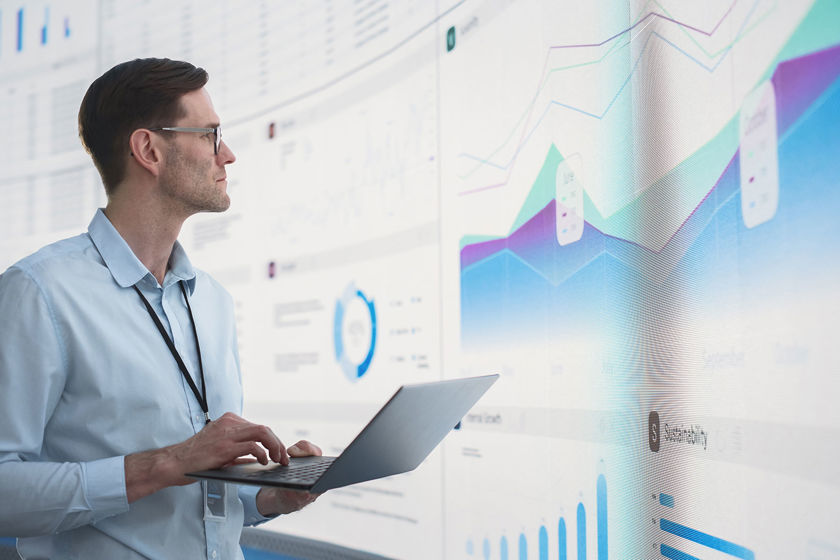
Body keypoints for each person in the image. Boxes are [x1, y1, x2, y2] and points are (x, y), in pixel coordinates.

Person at [0, 58, 321, 559]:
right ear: (148, 150)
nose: (228, 154)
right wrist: (163, 464)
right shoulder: (39, 292)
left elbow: (198, 496)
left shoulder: (211, 300)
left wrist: (268, 497)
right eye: (210, 135)